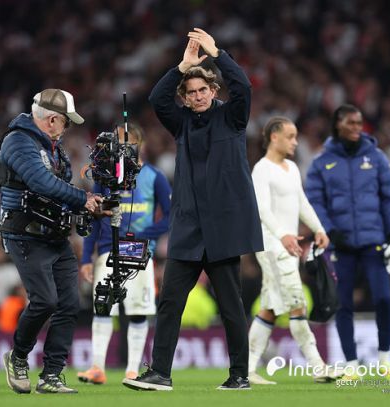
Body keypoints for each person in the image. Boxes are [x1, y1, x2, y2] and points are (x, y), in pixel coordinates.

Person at [123, 29, 263, 392]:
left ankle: (239, 375)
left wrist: (218, 54)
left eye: (203, 90)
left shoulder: (232, 117)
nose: (198, 96)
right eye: (191, 92)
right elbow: (157, 98)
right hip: (187, 228)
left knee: (231, 307)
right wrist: (182, 67)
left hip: (222, 229)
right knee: (170, 302)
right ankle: (160, 373)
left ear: (214, 91)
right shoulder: (182, 121)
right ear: (184, 98)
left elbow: (243, 88)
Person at [0, 88, 106, 394]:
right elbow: (40, 182)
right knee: (45, 300)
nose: (67, 127)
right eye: (66, 121)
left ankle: (52, 375)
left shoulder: (52, 148)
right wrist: (82, 198)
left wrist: (87, 206)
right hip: (25, 234)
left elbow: (59, 189)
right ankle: (19, 356)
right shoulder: (18, 141)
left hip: (54, 235)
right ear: (53, 119)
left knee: (70, 304)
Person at [305, 104, 390, 380]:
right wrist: (329, 231)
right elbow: (314, 202)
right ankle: (351, 364)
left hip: (374, 242)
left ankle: (385, 360)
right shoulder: (321, 163)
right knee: (343, 304)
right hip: (341, 245)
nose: (356, 128)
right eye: (350, 123)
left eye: (359, 123)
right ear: (337, 124)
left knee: (383, 298)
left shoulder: (377, 158)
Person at [247, 117, 340, 385]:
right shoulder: (262, 169)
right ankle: (318, 366)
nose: (295, 142)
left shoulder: (292, 168)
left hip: (287, 245)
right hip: (271, 245)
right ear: (274, 137)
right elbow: (261, 209)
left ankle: (246, 369)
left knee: (270, 308)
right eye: (290, 136)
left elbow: (302, 202)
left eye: (296, 136)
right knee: (298, 303)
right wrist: (283, 234)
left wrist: (319, 229)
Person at [77, 122, 171, 384]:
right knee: (102, 307)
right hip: (108, 249)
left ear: (140, 144)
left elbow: (171, 216)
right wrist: (86, 257)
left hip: (139, 251)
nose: (121, 146)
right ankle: (97, 367)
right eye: (117, 141)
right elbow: (93, 216)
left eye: (127, 141)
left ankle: (131, 369)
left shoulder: (154, 176)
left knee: (138, 310)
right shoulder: (105, 178)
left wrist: (146, 234)